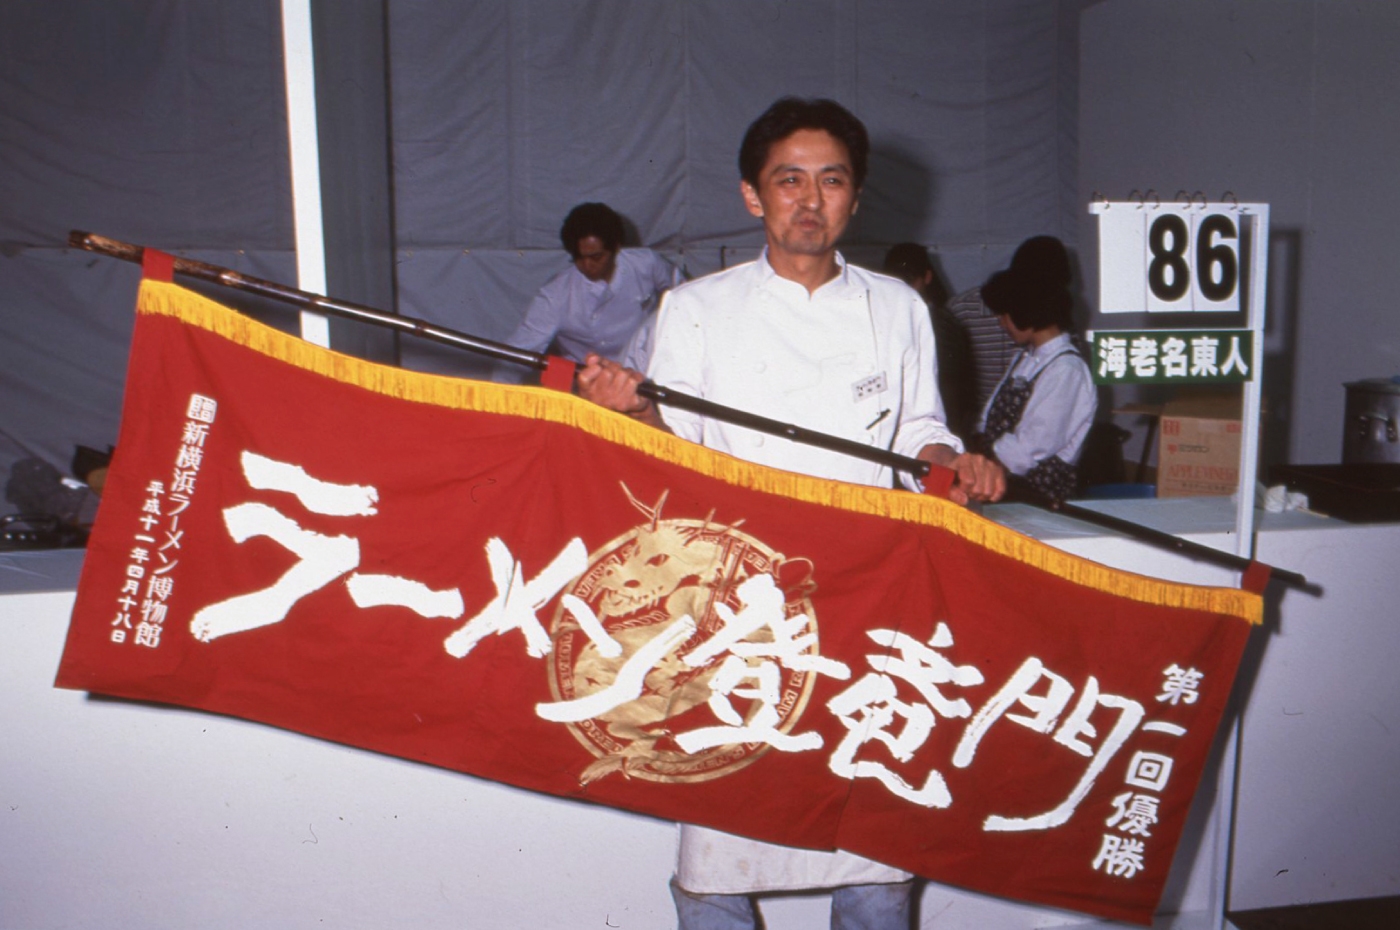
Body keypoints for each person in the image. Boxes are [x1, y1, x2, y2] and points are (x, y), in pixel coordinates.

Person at [578, 96, 1004, 930]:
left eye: (831, 181)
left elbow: (919, 432)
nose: (810, 201)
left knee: (873, 843)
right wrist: (633, 409)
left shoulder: (897, 305)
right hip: (732, 608)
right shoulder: (695, 307)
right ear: (753, 195)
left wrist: (954, 462)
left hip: (863, 600)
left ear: (856, 195)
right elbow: (674, 456)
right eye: (789, 180)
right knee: (716, 848)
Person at [970, 236, 1097, 505]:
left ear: (1025, 312)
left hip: (1033, 497)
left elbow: (1029, 447)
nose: (1000, 323)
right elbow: (987, 417)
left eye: (1004, 315)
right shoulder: (1026, 358)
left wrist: (983, 473)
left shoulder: (1066, 370)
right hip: (1001, 484)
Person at [504, 202, 683, 370]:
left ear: (616, 247)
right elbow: (519, 351)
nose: (587, 265)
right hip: (583, 374)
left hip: (642, 368)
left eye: (596, 257)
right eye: (579, 257)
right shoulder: (555, 294)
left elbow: (683, 296)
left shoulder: (646, 264)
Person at [883, 243, 976, 442]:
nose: (904, 290)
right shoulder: (892, 319)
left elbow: (949, 391)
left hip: (933, 429)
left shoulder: (939, 324)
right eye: (896, 281)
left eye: (909, 281)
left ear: (927, 278)